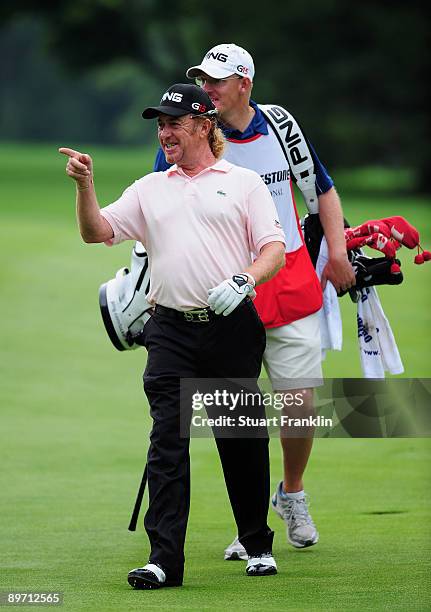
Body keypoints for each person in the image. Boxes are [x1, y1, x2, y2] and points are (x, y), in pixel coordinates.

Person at [59, 83, 286, 589]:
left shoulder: (243, 182)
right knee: (167, 441)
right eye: (160, 125)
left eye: (174, 124)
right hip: (170, 331)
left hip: (231, 326)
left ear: (205, 126)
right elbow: (96, 231)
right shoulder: (150, 187)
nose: (164, 133)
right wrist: (85, 186)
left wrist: (245, 279)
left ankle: (256, 544)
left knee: (240, 438)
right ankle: (164, 560)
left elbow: (274, 249)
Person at [160, 44, 354, 559]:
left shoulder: (281, 128)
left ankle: (291, 493)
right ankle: (249, 528)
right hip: (220, 291)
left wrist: (337, 253)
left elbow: (324, 192)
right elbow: (158, 208)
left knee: (298, 401)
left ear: (244, 83)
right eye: (203, 80)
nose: (208, 90)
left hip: (286, 279)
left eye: (217, 81)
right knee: (237, 416)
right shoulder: (187, 131)